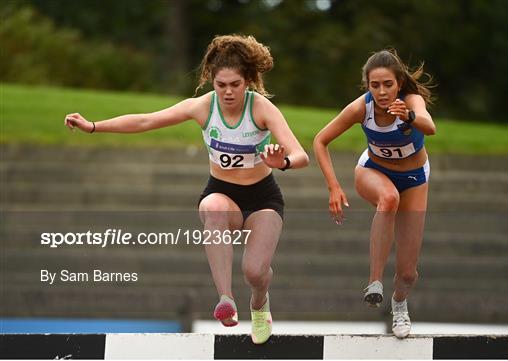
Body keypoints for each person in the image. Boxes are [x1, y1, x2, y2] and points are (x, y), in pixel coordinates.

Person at [64, 34, 309, 344]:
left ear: (247, 81)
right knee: (214, 208)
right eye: (221, 85)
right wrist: (95, 126)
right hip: (221, 192)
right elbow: (145, 121)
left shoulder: (261, 109)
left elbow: (302, 157)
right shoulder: (203, 107)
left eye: (235, 84)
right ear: (211, 81)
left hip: (263, 197)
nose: (228, 92)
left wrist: (282, 162)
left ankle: (259, 303)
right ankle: (226, 299)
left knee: (255, 273)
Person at [313, 49, 435, 338]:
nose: (381, 92)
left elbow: (430, 127)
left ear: (399, 83)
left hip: (415, 179)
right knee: (388, 198)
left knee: (407, 273)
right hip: (373, 171)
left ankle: (400, 304)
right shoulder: (361, 108)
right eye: (374, 85)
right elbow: (320, 141)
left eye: (388, 85)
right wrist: (333, 186)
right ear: (367, 86)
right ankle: (375, 282)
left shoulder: (410, 101)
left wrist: (410, 115)